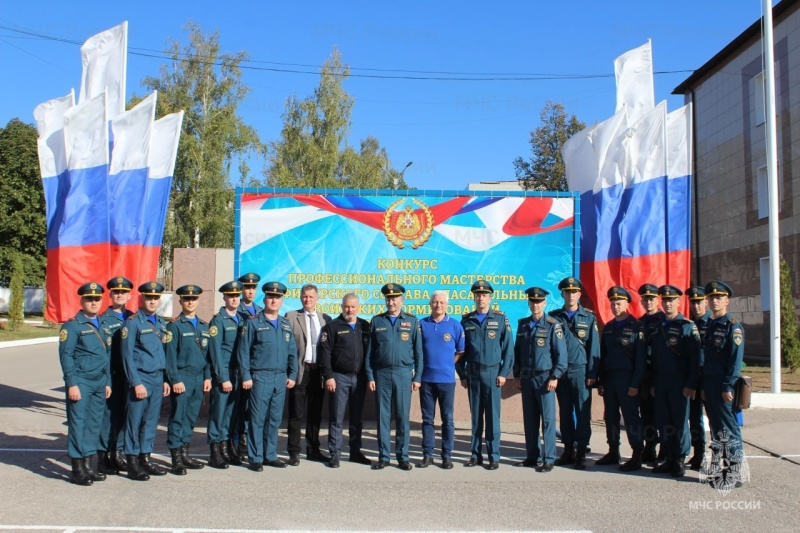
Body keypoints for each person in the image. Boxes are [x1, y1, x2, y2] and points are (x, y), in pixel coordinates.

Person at [237, 281, 298, 472]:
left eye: (277, 297)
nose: (274, 300)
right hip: (260, 376)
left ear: (281, 301)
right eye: (271, 297)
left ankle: (270, 455)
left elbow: (292, 353)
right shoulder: (254, 322)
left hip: (280, 378)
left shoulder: (286, 324)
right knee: (257, 418)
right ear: (264, 299)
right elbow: (243, 351)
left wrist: (293, 374)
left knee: (274, 419)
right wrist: (246, 376)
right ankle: (255, 457)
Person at [456, 280, 514, 470]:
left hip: (493, 374)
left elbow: (508, 350)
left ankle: (493, 455)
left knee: (492, 417)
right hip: (473, 374)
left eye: (484, 295)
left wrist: (504, 372)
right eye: (477, 295)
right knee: (475, 418)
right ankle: (475, 455)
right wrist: (462, 375)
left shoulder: (499, 319)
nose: (481, 298)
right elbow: (459, 351)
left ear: (490, 297)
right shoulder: (467, 321)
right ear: (474, 297)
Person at [365, 283, 423, 471]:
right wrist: (370, 376)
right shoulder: (377, 321)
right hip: (381, 374)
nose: (391, 301)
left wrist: (418, 377)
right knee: (383, 417)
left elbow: (419, 352)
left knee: (402, 416)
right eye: (388, 298)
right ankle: (384, 456)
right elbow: (369, 353)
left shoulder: (412, 322)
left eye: (395, 298)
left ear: (401, 300)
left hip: (403, 374)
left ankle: (403, 457)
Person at [59, 282, 112, 485]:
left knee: (94, 423)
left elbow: (105, 354)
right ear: (81, 301)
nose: (93, 302)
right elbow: (66, 356)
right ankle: (77, 468)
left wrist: (107, 381)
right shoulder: (72, 326)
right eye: (89, 299)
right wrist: (72, 383)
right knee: (78, 423)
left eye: (97, 298)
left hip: (99, 382)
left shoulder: (103, 325)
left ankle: (89, 465)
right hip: (81, 382)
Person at [120, 281, 171, 481]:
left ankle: (145, 458)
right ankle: (132, 461)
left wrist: (165, 379)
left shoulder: (160, 322)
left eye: (155, 298)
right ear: (141, 298)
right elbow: (127, 356)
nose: (152, 301)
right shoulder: (132, 323)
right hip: (140, 379)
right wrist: (136, 382)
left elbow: (162, 353)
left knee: (151, 421)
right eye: (148, 297)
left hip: (157, 379)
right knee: (135, 421)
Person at [513, 287, 567, 472]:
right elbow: (517, 352)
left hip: (545, 378)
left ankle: (549, 457)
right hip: (527, 378)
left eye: (539, 302)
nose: (535, 305)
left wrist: (555, 376)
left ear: (544, 303)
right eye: (532, 301)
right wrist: (517, 375)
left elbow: (561, 355)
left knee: (548, 420)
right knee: (530, 419)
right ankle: (532, 456)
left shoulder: (553, 325)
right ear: (528, 303)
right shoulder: (523, 324)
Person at [548, 277, 600, 470]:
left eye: (574, 292)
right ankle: (568, 449)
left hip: (581, 371)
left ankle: (580, 452)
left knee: (582, 412)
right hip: (561, 372)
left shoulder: (589, 317)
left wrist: (592, 373)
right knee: (565, 412)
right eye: (567, 292)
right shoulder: (554, 317)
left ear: (579, 294)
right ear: (562, 294)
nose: (570, 295)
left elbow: (594, 348)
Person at [649, 285, 700, 478]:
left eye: (672, 300)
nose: (668, 303)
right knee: (664, 421)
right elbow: (655, 358)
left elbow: (695, 359)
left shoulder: (687, 326)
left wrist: (691, 384)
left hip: (680, 382)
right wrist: (654, 382)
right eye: (665, 300)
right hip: (661, 382)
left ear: (679, 302)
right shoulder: (660, 326)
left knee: (680, 421)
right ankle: (669, 457)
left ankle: (680, 458)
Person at [317, 293, 372, 468]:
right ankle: (335, 453)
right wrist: (329, 376)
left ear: (358, 307)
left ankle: (355, 451)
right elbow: (324, 353)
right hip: (339, 377)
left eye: (353, 307)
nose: (350, 310)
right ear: (342, 307)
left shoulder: (365, 325)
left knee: (357, 417)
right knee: (337, 417)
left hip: (360, 378)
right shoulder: (332, 326)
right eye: (347, 306)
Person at [701, 281, 745, 490]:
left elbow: (735, 361)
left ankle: (735, 471)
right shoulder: (710, 325)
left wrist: (728, 385)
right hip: (709, 384)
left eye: (719, 297)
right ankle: (720, 469)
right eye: (711, 297)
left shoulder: (732, 326)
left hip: (722, 385)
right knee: (717, 428)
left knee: (729, 428)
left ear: (727, 300)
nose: (714, 300)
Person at [596, 286, 646, 471]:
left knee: (631, 417)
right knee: (611, 416)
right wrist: (601, 381)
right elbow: (603, 355)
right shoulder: (609, 327)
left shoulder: (636, 327)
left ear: (627, 304)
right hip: (610, 379)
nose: (615, 306)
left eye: (619, 303)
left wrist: (635, 383)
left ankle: (637, 453)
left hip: (627, 380)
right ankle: (613, 450)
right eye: (613, 303)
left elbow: (640, 360)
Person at [165, 284, 212, 475]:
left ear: (198, 301)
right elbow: (169, 356)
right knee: (178, 417)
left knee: (191, 417)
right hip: (182, 378)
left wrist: (208, 377)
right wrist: (175, 379)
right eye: (186, 299)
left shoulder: (204, 326)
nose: (190, 302)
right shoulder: (174, 326)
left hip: (199, 378)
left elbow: (208, 356)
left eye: (193, 299)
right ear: (180, 301)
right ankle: (176, 457)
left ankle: (185, 452)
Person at [285, 284, 332, 465]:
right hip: (300, 370)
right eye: (305, 296)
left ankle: (313, 449)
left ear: (317, 298)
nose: (308, 299)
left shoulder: (325, 319)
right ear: (300, 298)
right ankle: (294, 451)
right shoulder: (291, 317)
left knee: (315, 413)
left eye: (311, 296)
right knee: (296, 413)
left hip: (317, 372)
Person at [417, 290, 465, 469]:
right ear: (430, 304)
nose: (438, 305)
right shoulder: (421, 325)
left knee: (448, 420)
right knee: (427, 419)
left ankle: (447, 455)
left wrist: (447, 364)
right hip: (426, 380)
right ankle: (427, 455)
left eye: (442, 302)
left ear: (447, 305)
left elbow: (460, 351)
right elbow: (416, 351)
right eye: (435, 302)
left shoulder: (455, 325)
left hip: (446, 380)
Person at [99, 276, 134, 475]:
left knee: (124, 416)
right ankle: (103, 456)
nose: (120, 295)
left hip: (128, 376)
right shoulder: (103, 320)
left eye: (123, 292)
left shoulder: (133, 318)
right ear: (111, 295)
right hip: (111, 376)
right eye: (116, 292)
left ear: (129, 295)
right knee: (108, 417)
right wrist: (105, 379)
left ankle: (117, 453)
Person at [207, 281, 244, 468]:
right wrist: (223, 378)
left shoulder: (242, 318)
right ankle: (215, 453)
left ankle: (226, 448)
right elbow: (215, 353)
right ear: (224, 298)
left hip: (238, 373)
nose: (234, 299)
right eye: (231, 296)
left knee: (231, 414)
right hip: (225, 374)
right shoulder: (218, 320)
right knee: (218, 413)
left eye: (237, 296)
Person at [232, 271, 262, 464]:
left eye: (253, 287)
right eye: (247, 287)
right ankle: (235, 445)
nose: (250, 290)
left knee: (252, 410)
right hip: (238, 369)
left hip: (256, 368)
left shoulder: (260, 311)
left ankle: (246, 444)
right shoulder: (236, 309)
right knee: (238, 408)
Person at [686, 285, 711, 470]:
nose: (696, 306)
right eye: (693, 302)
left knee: (715, 419)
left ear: (706, 302)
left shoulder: (713, 324)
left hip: (710, 379)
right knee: (694, 418)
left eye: (699, 302)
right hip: (694, 377)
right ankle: (698, 453)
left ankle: (721, 458)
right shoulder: (690, 325)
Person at [638, 283, 664, 464]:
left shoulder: (665, 321)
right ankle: (650, 448)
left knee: (662, 415)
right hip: (644, 375)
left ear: (658, 300)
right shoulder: (640, 322)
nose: (648, 302)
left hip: (660, 375)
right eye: (645, 299)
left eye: (652, 298)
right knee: (646, 414)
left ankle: (666, 450)